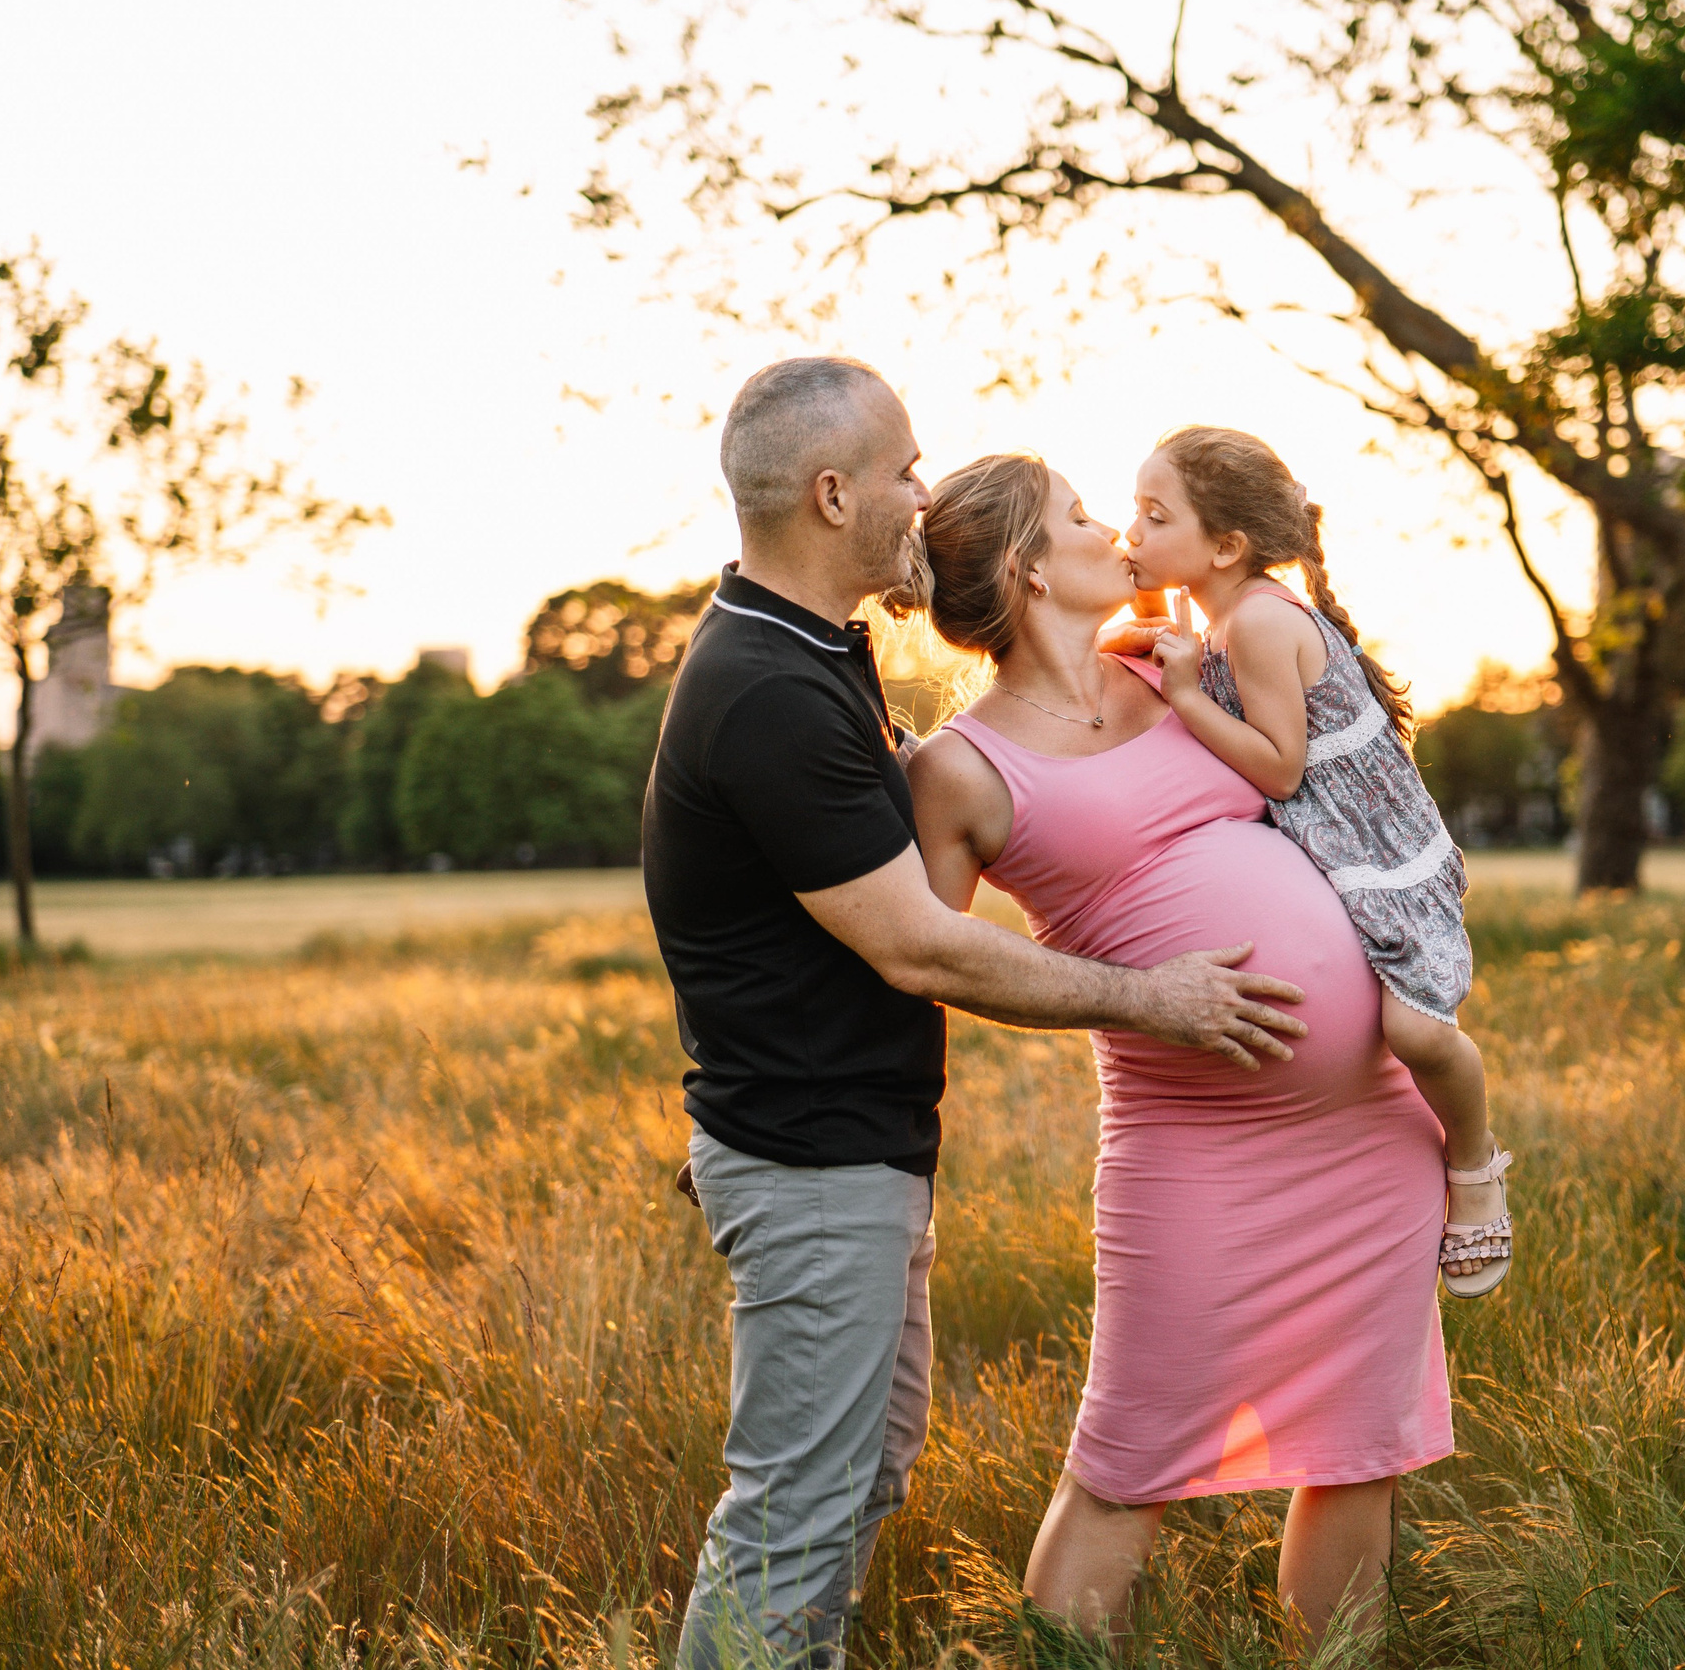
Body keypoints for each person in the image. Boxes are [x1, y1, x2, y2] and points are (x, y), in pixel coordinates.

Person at [647, 358, 1311, 1670]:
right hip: (814, 1161)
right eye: (903, 470)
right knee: (793, 1518)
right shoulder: (770, 687)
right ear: (835, 493)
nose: (923, 491)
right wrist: (1154, 998)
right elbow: (916, 945)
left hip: (843, 1153)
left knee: (852, 1489)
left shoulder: (812, 648)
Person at [905, 453, 1456, 1655]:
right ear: (1029, 569)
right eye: (1082, 517)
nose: (1114, 529)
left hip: (1372, 1123)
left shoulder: (1172, 669)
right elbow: (929, 964)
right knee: (1127, 1459)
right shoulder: (959, 769)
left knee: (1359, 1444)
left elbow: (1328, 774)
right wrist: (1145, 997)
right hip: (1190, 1145)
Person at [1123, 426, 1512, 1294]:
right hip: (1335, 859)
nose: (1131, 535)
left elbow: (1280, 765)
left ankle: (1476, 1165)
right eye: (1130, 514)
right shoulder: (1218, 614)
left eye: (1154, 517)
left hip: (1385, 862)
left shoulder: (1258, 620)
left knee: (1415, 1030)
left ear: (1225, 546)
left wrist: (1186, 693)